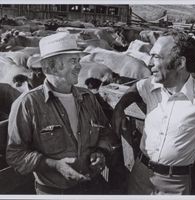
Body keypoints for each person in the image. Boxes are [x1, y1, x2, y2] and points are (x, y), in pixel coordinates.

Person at [112, 30, 195, 195]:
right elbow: (136, 88)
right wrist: (120, 106)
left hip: (174, 185)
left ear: (179, 63)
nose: (149, 63)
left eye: (156, 57)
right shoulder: (151, 85)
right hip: (139, 175)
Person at [6, 32, 117, 194]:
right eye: (73, 61)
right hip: (54, 192)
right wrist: (53, 165)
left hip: (92, 187)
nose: (79, 66)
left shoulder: (88, 98)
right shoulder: (28, 104)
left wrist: (101, 151)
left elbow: (106, 133)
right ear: (49, 67)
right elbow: (15, 154)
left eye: (78, 60)